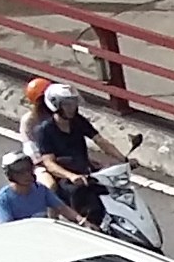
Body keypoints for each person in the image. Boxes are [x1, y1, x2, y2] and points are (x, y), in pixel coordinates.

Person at [27, 82, 126, 229]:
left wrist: (123, 159)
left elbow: (100, 141)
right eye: (67, 104)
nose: (71, 108)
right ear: (55, 105)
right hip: (65, 177)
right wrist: (71, 176)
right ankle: (58, 222)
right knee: (82, 201)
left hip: (85, 171)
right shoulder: (44, 130)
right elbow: (49, 163)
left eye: (73, 103)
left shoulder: (78, 121)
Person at [0, 151, 71, 225]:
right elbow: (7, 227)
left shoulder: (41, 189)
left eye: (28, 170)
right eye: (20, 172)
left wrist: (77, 218)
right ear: (10, 175)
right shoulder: (3, 199)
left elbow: (62, 208)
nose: (27, 175)